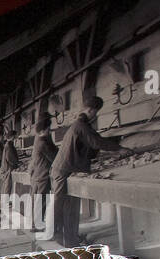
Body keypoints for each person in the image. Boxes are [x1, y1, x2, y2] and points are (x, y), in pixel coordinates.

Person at [49, 93, 121, 247]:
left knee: (71, 205)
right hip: (63, 170)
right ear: (91, 110)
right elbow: (96, 142)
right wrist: (119, 149)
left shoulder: (81, 124)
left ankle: (71, 238)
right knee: (62, 205)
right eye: (95, 112)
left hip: (68, 169)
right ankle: (60, 238)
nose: (95, 115)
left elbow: (92, 141)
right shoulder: (81, 126)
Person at [29, 114, 58, 235]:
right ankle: (37, 225)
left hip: (37, 175)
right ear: (43, 130)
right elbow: (54, 158)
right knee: (42, 201)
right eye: (48, 129)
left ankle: (35, 224)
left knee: (37, 201)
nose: (49, 130)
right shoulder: (42, 143)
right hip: (43, 176)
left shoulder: (39, 140)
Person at [0, 129, 19, 198]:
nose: (17, 137)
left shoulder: (8, 144)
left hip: (7, 166)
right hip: (8, 167)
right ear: (13, 137)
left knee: (6, 184)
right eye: (16, 136)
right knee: (7, 185)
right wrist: (17, 163)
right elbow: (10, 158)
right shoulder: (9, 145)